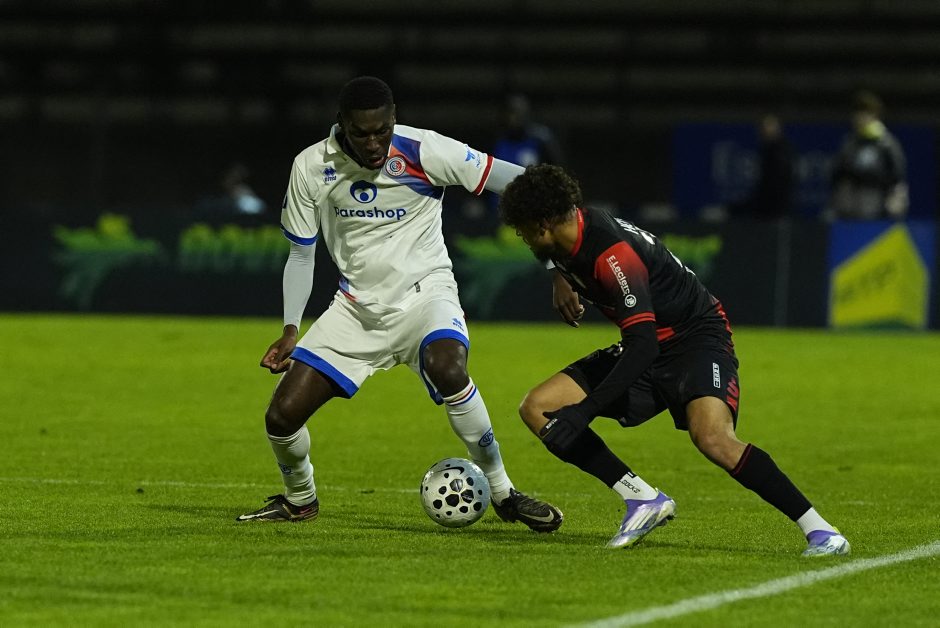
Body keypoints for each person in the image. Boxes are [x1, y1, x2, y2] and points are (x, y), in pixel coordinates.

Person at [235, 76, 563, 532]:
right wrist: (291, 328)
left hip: (426, 295)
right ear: (341, 124)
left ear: (394, 120)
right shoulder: (311, 165)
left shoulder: (426, 151)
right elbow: (301, 253)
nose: (374, 144)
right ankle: (300, 500)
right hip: (355, 309)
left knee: (449, 369)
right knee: (281, 417)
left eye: (382, 131)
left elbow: (521, 185)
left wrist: (557, 262)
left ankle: (504, 493)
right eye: (361, 133)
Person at [497, 164, 850, 556]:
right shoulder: (567, 235)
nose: (522, 237)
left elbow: (643, 346)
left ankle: (822, 531)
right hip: (649, 342)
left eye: (523, 230)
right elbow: (557, 259)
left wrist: (585, 411)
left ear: (544, 224)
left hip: (695, 339)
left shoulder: (613, 255)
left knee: (713, 438)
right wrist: (558, 278)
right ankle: (642, 499)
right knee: (538, 407)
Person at [828, 90, 908, 220]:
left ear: (875, 116)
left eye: (865, 115)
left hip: (879, 209)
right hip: (851, 211)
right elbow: (838, 174)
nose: (860, 119)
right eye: (857, 115)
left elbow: (897, 177)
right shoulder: (849, 144)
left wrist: (892, 204)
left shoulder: (887, 144)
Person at [734, 114, 795, 221]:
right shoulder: (766, 150)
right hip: (766, 210)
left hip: (775, 212)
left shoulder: (781, 152)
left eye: (770, 127)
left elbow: (775, 186)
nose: (765, 131)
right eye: (763, 128)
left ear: (778, 129)